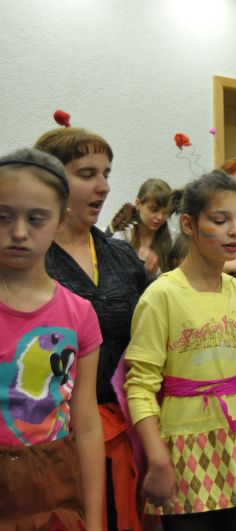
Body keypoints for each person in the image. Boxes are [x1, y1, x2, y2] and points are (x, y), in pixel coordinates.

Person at [123, 170, 236, 529]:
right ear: (189, 224)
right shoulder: (161, 296)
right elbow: (140, 386)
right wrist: (157, 458)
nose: (235, 231)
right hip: (182, 454)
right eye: (220, 220)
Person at [36, 126, 148, 531]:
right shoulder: (31, 259)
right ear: (50, 181)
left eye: (106, 173)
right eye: (87, 174)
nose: (103, 186)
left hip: (129, 427)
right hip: (54, 439)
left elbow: (155, 327)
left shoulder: (120, 254)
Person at [0, 148, 104, 530]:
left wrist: (95, 521)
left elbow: (87, 423)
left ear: (61, 222)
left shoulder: (79, 314)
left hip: (54, 484)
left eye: (36, 219)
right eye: (3, 217)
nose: (19, 232)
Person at [112, 178, 172, 277]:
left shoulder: (172, 238)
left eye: (165, 212)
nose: (160, 217)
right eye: (154, 210)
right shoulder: (122, 236)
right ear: (138, 204)